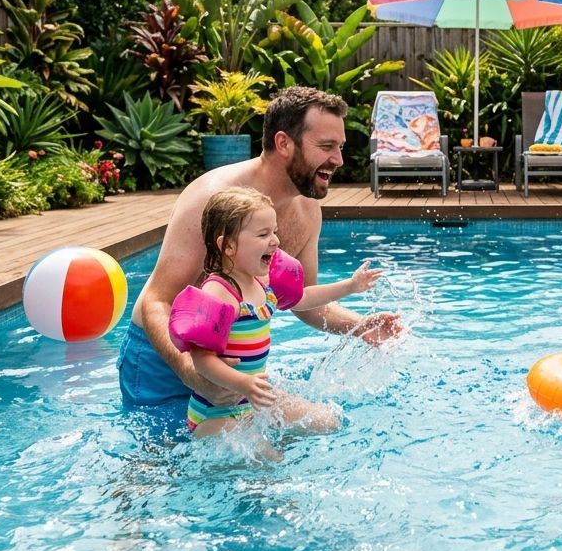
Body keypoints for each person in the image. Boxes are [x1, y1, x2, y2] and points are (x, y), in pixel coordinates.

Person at [119, 86, 404, 410]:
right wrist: (192, 373)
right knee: (164, 459)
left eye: (339, 147)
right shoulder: (212, 200)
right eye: (326, 146)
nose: (338, 160)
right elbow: (158, 300)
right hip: (165, 360)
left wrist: (360, 326)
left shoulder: (307, 211)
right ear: (283, 143)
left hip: (235, 365)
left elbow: (302, 300)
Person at [170, 187, 382, 436]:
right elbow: (201, 360)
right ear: (228, 245)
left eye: (274, 231)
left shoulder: (262, 280)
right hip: (215, 413)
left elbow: (302, 298)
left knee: (327, 421)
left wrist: (349, 286)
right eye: (263, 234)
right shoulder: (219, 292)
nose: (276, 241)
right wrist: (244, 383)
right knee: (269, 462)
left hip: (252, 398)